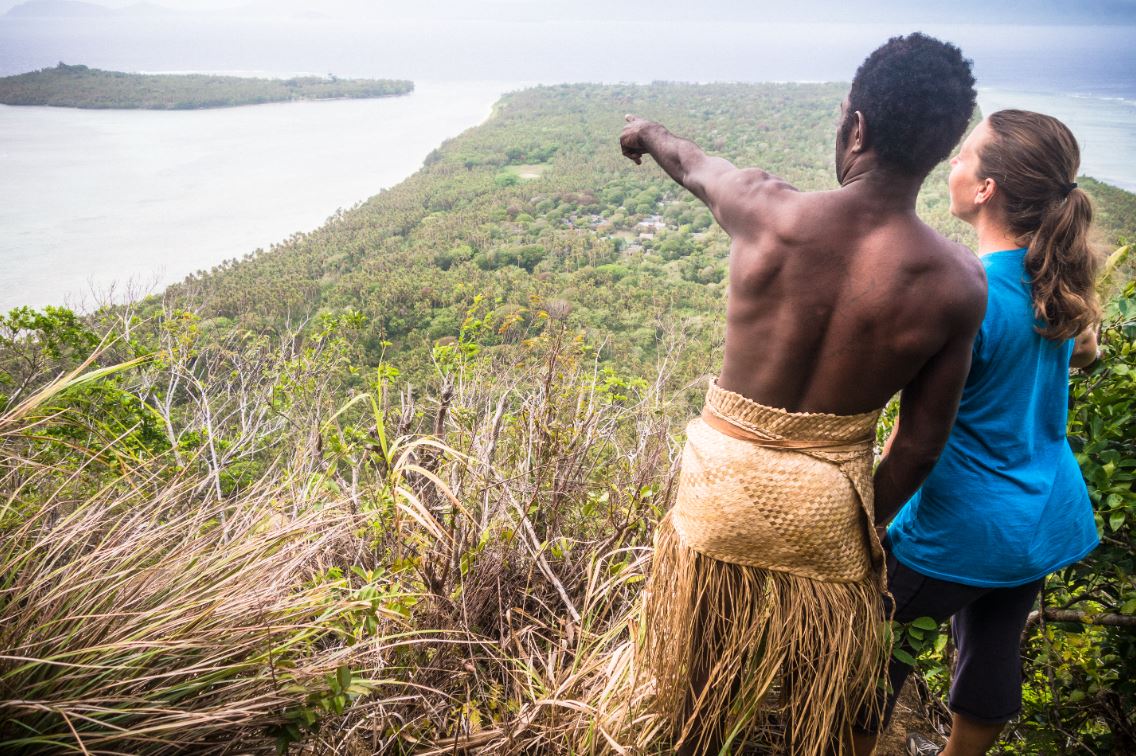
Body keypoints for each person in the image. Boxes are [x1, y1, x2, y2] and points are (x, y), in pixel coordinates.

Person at [619, 33, 985, 754]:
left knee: (700, 691)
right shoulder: (956, 283)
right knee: (821, 705)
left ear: (857, 128)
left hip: (718, 493)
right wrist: (858, 527)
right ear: (942, 151)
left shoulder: (768, 211)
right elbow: (917, 447)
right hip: (825, 515)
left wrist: (646, 131)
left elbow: (693, 165)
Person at [851, 110, 1102, 756]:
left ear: (986, 189)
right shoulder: (1052, 281)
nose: (952, 166)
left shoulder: (973, 293)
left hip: (957, 534)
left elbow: (913, 436)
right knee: (990, 650)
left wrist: (866, 523)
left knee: (869, 666)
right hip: (1038, 522)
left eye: (963, 156)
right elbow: (1084, 350)